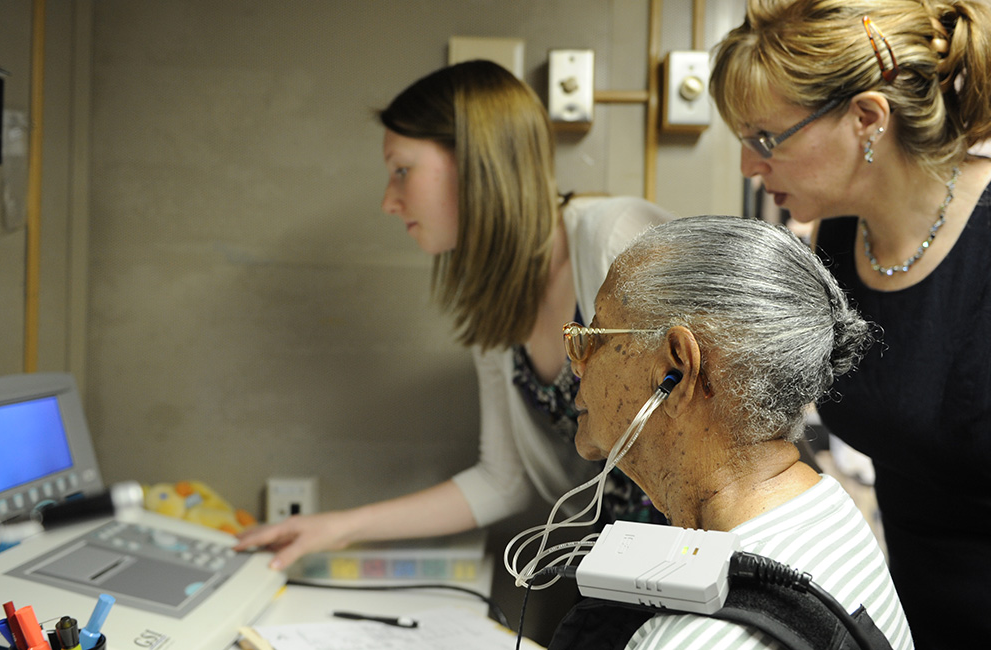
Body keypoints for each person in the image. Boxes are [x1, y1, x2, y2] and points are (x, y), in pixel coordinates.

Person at [234, 60, 674, 569]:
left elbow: (734, 398)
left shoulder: (615, 237)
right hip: (615, 561)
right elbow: (501, 481)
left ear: (476, 162)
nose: (388, 202)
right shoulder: (498, 311)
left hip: (700, 553)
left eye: (402, 170)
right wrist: (338, 528)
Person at [708, 1, 991, 647]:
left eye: (765, 139)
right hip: (918, 612)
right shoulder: (838, 240)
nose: (751, 166)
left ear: (867, 118)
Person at [560, 215, 912, 649]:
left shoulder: (695, 642)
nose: (577, 362)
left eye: (593, 334)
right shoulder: (828, 513)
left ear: (677, 368)